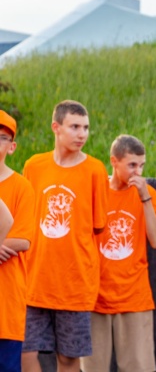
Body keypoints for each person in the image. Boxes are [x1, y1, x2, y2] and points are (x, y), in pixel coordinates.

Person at [21, 100, 109, 372]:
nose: (82, 134)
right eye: (74, 127)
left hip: (75, 283)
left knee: (69, 359)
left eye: (86, 128)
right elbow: (25, 217)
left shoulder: (95, 170)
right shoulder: (34, 166)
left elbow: (99, 225)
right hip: (35, 279)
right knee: (24, 352)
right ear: (56, 127)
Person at [80, 134, 156, 372]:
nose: (138, 172)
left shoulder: (149, 195)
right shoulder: (96, 191)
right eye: (132, 165)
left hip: (134, 298)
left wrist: (145, 198)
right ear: (114, 162)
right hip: (94, 297)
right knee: (92, 368)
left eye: (141, 165)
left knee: (138, 367)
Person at [0, 110, 35, 372]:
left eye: (2, 137)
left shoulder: (21, 187)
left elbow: (22, 239)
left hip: (6, 303)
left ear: (12, 147)